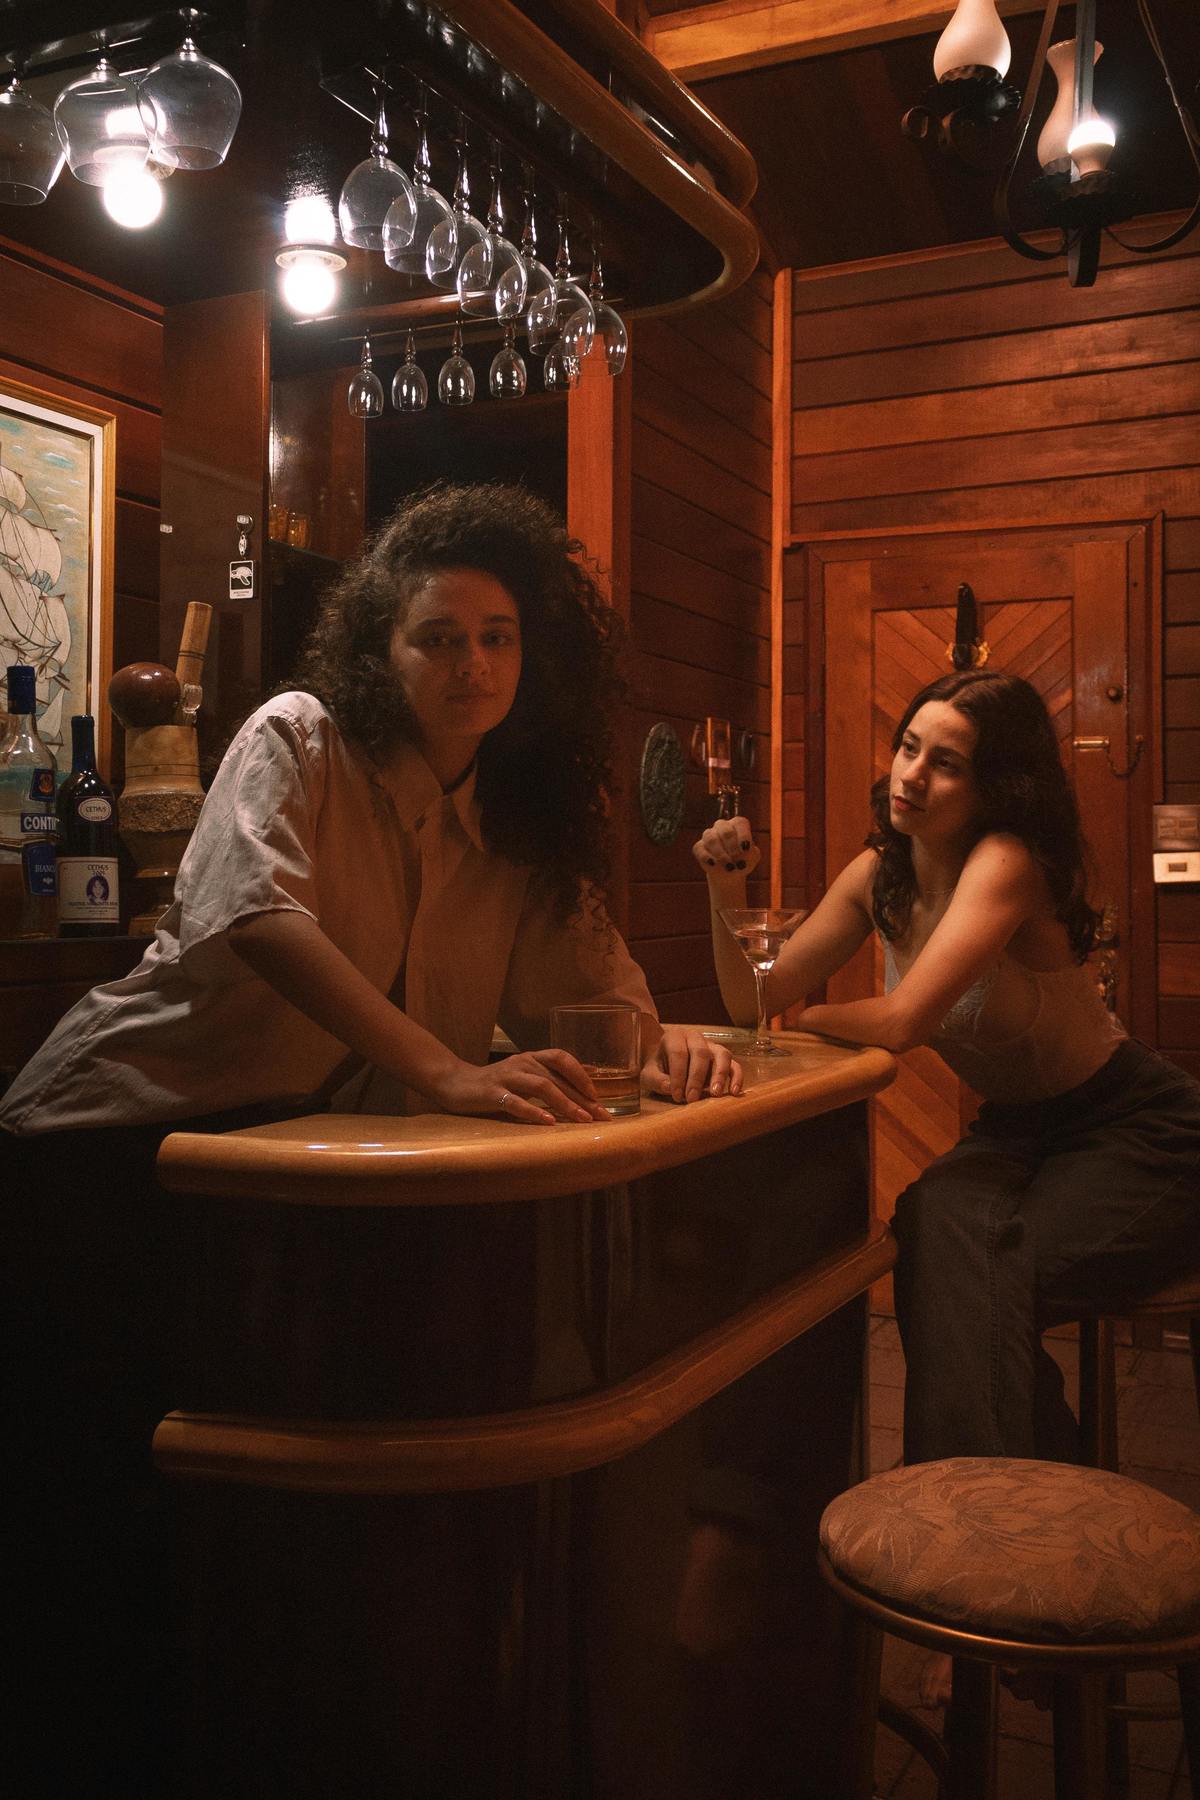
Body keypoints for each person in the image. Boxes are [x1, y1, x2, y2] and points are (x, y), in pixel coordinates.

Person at [2, 480, 740, 1795]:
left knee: (206, 1527)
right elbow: (257, 918)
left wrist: (665, 1038)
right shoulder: (300, 736)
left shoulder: (515, 823)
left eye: (497, 637)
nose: (471, 664)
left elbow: (594, 989)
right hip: (116, 1140)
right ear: (379, 647)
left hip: (282, 1176)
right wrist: (446, 1070)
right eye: (437, 636)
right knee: (80, 1507)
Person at [695, 668, 1200, 1470]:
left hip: (1132, 1123)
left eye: (947, 763)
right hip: (1016, 1132)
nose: (912, 774)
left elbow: (902, 1021)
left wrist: (808, 1020)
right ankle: (1020, 1491)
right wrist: (726, 887)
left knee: (975, 1270)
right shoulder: (880, 872)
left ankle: (980, 1502)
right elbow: (751, 997)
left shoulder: (1006, 859)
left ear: (997, 786)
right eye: (908, 747)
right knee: (931, 1227)